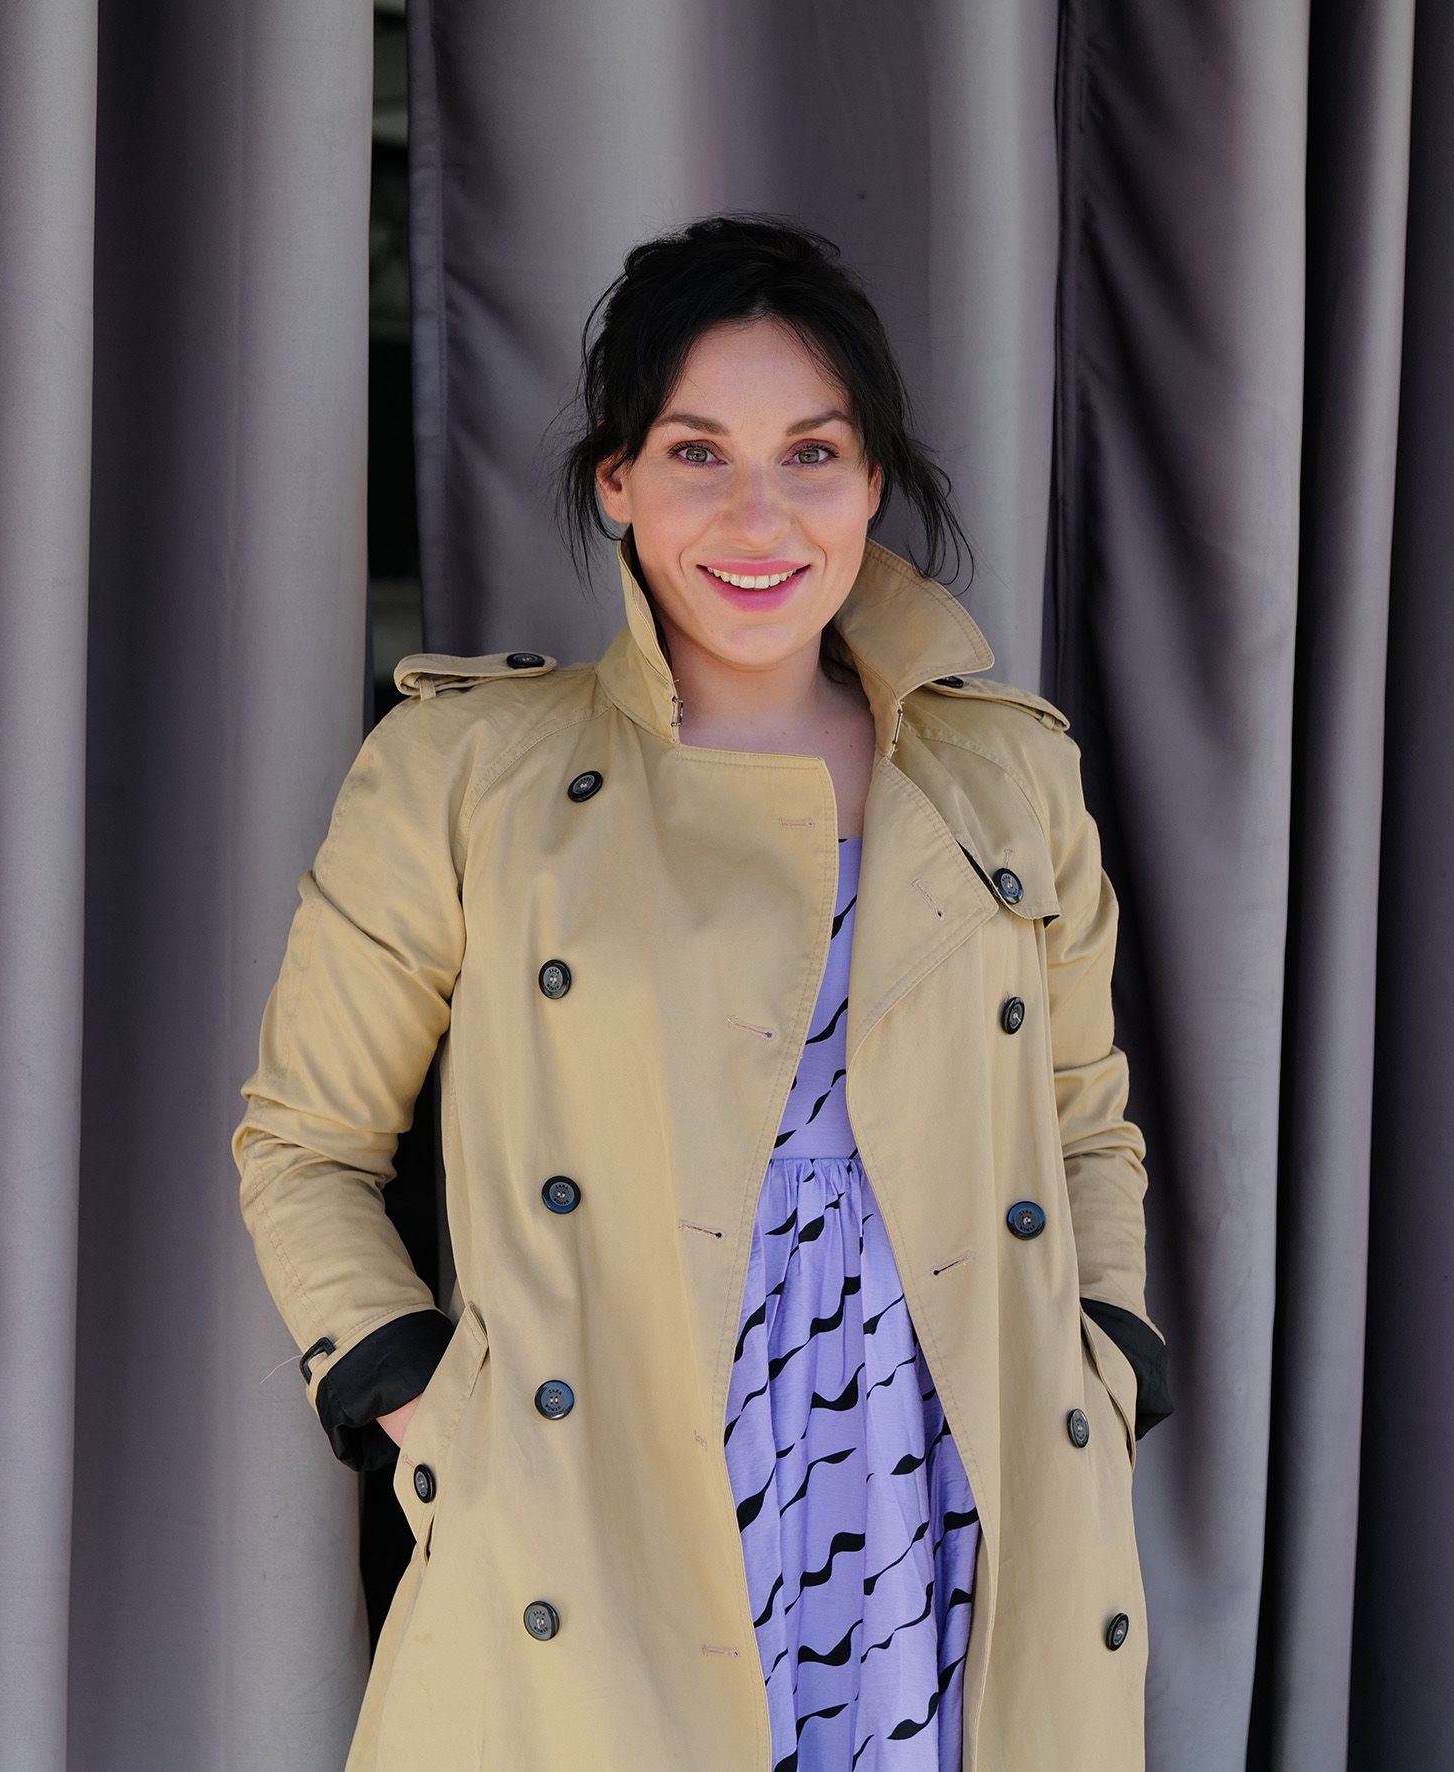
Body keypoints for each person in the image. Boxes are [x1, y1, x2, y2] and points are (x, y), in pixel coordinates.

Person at [233, 214, 1171, 1772]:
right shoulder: (470, 772)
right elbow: (305, 1143)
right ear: (617, 479)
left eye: (812, 454)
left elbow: (1085, 1124)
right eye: (696, 453)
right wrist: (437, 1415)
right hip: (609, 1489)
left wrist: (1106, 1363)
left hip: (947, 1477)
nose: (759, 513)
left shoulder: (1005, 775)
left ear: (872, 482)